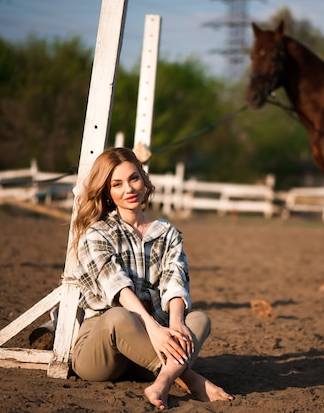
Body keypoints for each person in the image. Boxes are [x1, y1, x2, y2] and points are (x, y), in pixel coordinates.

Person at [69, 147, 233, 410]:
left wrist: (176, 323)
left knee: (198, 320)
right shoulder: (97, 234)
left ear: (144, 181)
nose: (129, 189)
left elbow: (175, 281)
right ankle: (189, 379)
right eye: (117, 184)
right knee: (119, 315)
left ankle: (163, 380)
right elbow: (118, 288)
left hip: (147, 350)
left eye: (134, 178)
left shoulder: (167, 232)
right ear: (108, 192)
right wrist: (153, 330)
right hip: (103, 352)